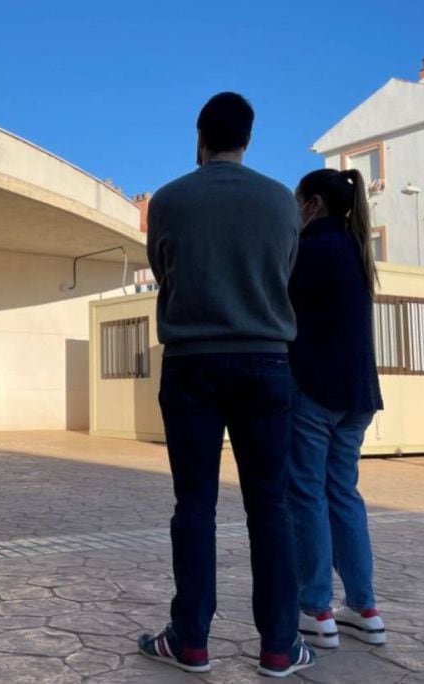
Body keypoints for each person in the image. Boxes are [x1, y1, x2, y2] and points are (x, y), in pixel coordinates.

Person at [137, 92, 316, 678]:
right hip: (266, 362)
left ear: (200, 137)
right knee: (271, 505)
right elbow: (282, 274)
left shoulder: (167, 200)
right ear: (248, 138)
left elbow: (166, 273)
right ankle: (279, 646)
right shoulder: (281, 201)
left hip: (192, 361)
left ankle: (190, 640)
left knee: (195, 503)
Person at [288, 168, 386, 650]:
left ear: (314, 205)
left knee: (306, 494)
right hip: (359, 396)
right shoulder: (357, 250)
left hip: (315, 392)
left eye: (297, 201)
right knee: (343, 495)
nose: (294, 209)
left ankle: (316, 608)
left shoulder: (308, 251)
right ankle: (364, 608)